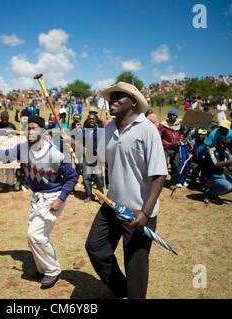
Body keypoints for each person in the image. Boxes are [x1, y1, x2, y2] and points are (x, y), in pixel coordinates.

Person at [85, 82, 168, 299]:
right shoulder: (109, 128)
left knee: (135, 265)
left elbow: (160, 174)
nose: (112, 100)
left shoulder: (147, 129)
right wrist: (73, 144)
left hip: (138, 211)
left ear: (133, 102)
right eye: (111, 97)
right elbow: (100, 160)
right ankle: (123, 291)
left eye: (119, 97)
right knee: (95, 248)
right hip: (112, 205)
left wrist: (146, 212)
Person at [0, 116, 77, 289]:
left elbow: (72, 177)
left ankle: (52, 270)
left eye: (34, 128)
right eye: (28, 128)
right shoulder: (23, 148)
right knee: (34, 237)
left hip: (53, 197)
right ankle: (43, 268)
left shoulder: (53, 152)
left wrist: (60, 200)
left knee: (35, 235)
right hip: (37, 196)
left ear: (42, 131)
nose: (30, 131)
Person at [73, 113, 104, 202]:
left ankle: (101, 197)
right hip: (86, 158)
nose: (91, 120)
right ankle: (89, 195)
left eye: (93, 119)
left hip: (96, 159)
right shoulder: (83, 131)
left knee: (98, 178)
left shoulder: (99, 131)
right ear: (87, 120)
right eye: (89, 119)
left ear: (96, 120)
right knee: (86, 178)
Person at [203, 137, 232, 205]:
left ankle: (215, 193)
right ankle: (208, 194)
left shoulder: (227, 153)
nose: (225, 146)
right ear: (218, 143)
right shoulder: (211, 151)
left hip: (222, 175)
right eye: (223, 144)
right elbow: (216, 165)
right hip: (210, 176)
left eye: (227, 144)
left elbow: (229, 167)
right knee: (227, 186)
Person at [158, 107, 183, 190]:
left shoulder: (179, 125)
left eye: (174, 115)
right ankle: (160, 183)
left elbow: (182, 134)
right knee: (163, 166)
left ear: (176, 116)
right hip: (165, 148)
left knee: (176, 166)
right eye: (170, 115)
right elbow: (158, 136)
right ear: (168, 116)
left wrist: (181, 141)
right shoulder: (163, 125)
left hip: (176, 148)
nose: (172, 116)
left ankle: (173, 182)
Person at [0, 111, 17, 192]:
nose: (4, 120)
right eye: (3, 118)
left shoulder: (12, 126)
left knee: (10, 168)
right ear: (0, 118)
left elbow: (16, 138)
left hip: (10, 151)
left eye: (6, 118)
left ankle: (10, 184)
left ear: (8, 117)